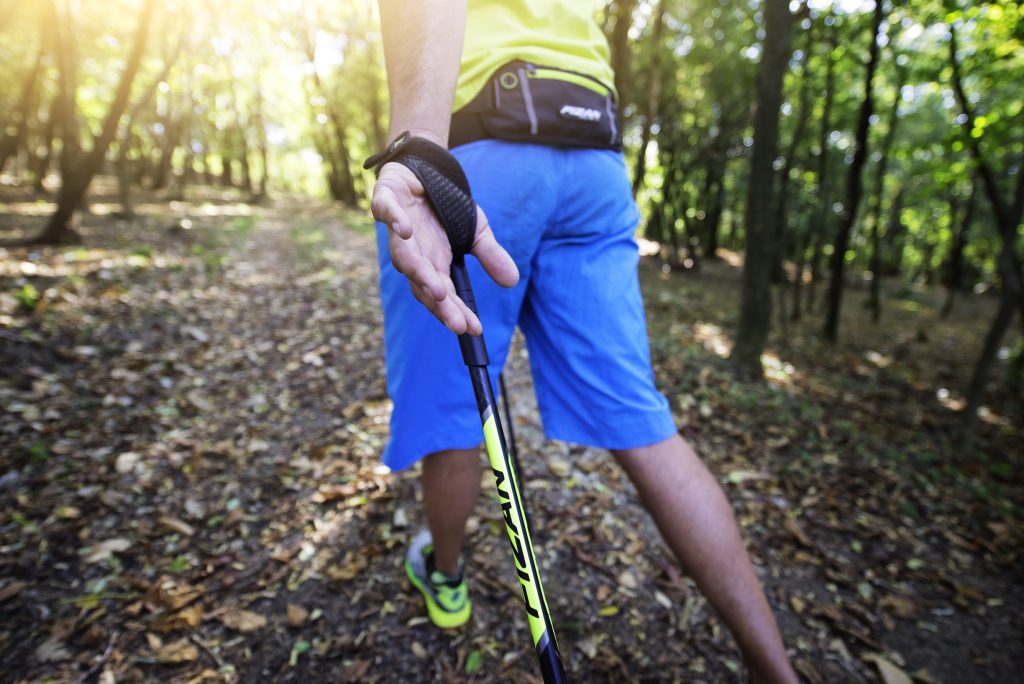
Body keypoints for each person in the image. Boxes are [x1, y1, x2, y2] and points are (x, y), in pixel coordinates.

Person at [367, 1, 798, 681]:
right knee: (645, 426)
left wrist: (419, 142)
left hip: (478, 138)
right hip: (592, 151)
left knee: (457, 407)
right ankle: (777, 672)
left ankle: (445, 576)